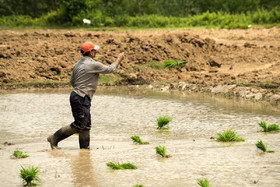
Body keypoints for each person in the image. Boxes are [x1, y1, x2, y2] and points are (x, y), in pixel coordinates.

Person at [47, 42, 124, 149]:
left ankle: (84, 149)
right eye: (94, 51)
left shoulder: (77, 65)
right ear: (91, 53)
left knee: (86, 125)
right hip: (81, 97)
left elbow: (72, 81)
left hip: (77, 95)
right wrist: (118, 60)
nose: (96, 52)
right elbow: (110, 69)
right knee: (80, 124)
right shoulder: (93, 64)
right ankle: (54, 138)